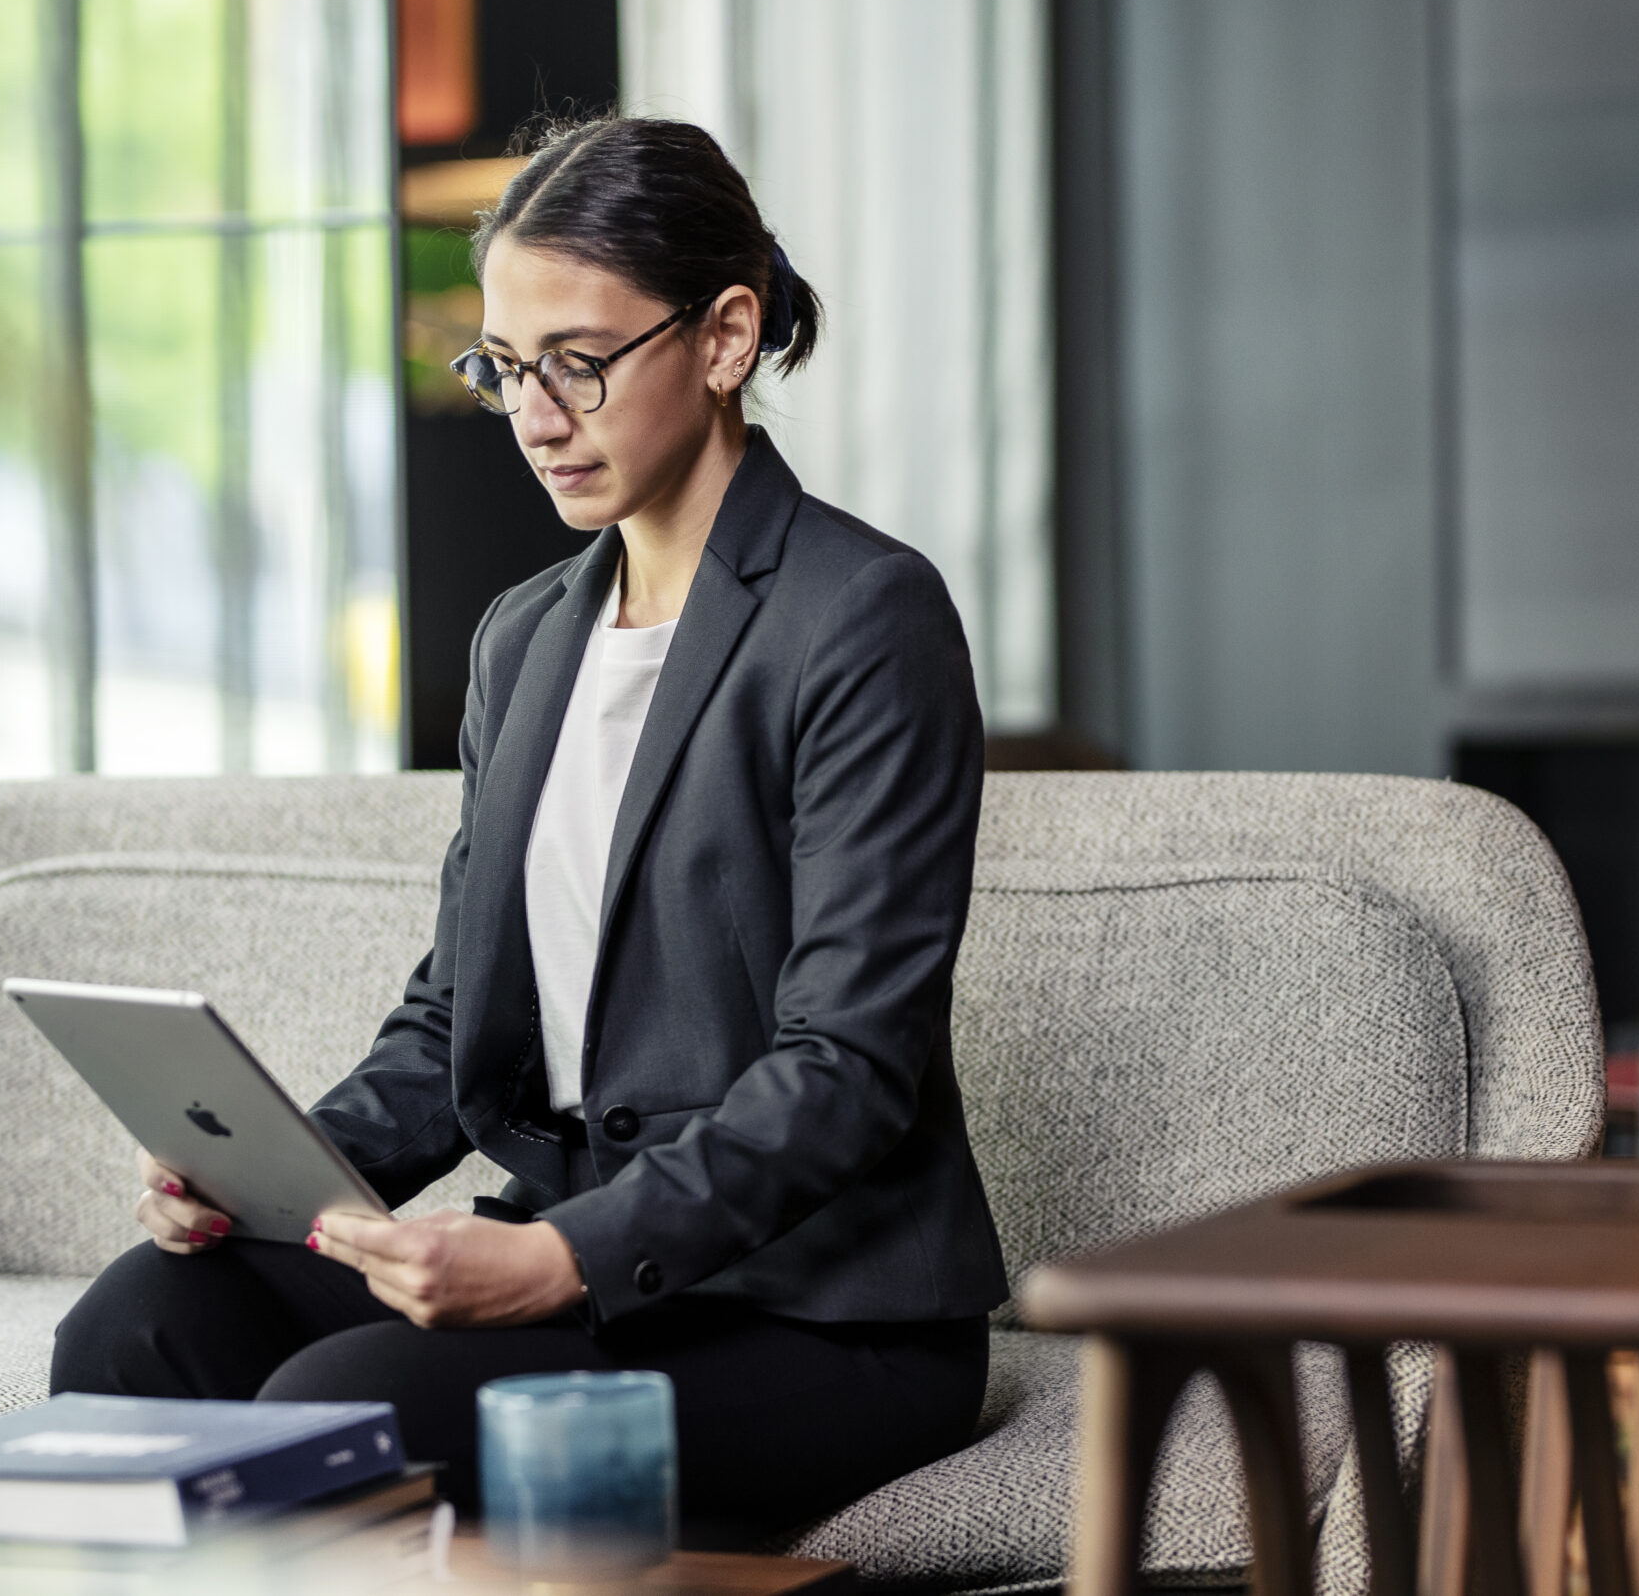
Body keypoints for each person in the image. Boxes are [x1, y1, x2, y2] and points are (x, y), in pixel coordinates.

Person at [49, 116, 1008, 1543]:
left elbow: (847, 1069)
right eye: (503, 368)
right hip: (571, 1253)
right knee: (140, 1328)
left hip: (815, 1310)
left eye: (579, 363)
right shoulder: (525, 640)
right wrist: (274, 1177)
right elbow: (457, 1020)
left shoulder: (862, 620)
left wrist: (563, 1258)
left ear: (726, 335)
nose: (537, 417)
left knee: (349, 1403)